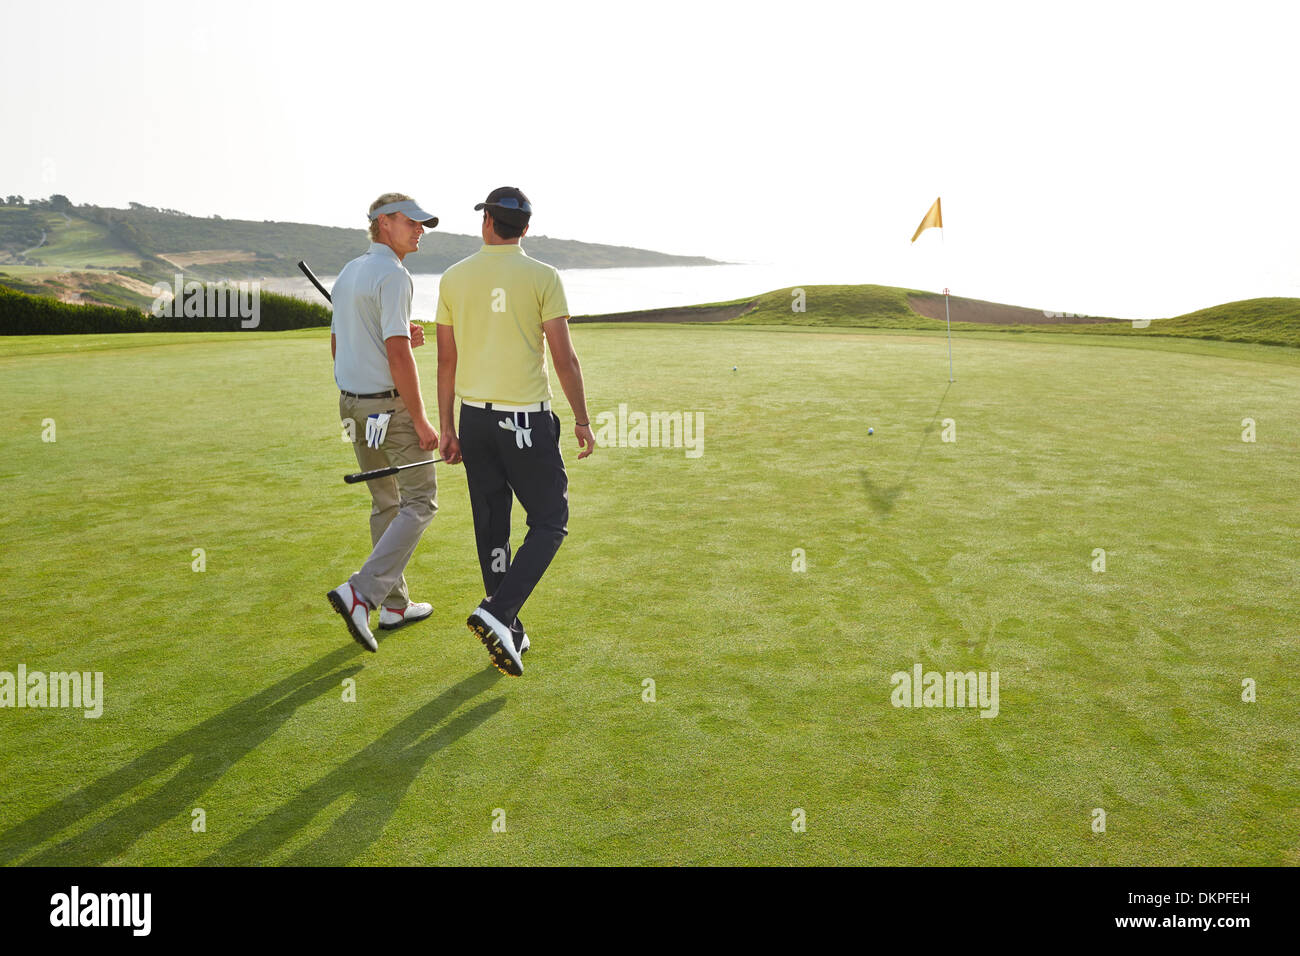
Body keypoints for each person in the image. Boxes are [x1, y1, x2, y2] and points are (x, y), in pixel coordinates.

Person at [435, 186, 595, 677]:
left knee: (493, 525)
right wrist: (582, 419)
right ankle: (499, 612)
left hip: (474, 420)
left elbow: (446, 359)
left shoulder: (453, 278)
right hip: (524, 418)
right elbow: (563, 358)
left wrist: (446, 426)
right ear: (524, 228)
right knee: (549, 520)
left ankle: (510, 631)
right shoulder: (543, 277)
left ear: (487, 222)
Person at [326, 193, 441, 652]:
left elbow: (340, 344)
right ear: (383, 222)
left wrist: (399, 343)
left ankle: (394, 605)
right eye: (411, 222)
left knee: (386, 503)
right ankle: (363, 592)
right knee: (421, 501)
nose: (419, 230)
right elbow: (395, 353)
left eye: (422, 224)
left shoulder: (351, 271)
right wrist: (421, 418)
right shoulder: (394, 275)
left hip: (352, 407)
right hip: (388, 411)